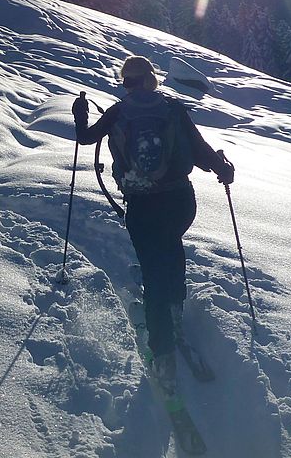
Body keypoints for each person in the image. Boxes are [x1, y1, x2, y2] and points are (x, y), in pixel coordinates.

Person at [73, 55, 234, 388]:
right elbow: (202, 151)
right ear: (152, 79)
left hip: (143, 205)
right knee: (172, 249)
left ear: (126, 83)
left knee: (153, 271)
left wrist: (81, 115)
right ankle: (174, 312)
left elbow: (86, 139)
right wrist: (223, 168)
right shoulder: (173, 109)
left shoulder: (118, 113)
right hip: (180, 202)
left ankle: (161, 353)